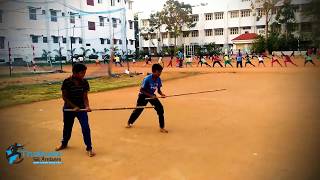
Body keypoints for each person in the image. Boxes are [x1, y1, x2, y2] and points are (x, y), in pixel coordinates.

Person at [55, 63, 95, 157]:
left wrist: (87, 106)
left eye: (84, 73)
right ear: (75, 73)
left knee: (85, 128)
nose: (84, 75)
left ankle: (89, 148)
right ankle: (64, 143)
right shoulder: (67, 82)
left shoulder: (84, 82)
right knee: (67, 128)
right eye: (82, 73)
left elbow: (85, 97)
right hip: (69, 109)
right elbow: (65, 97)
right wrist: (73, 107)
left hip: (81, 109)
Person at [126, 64, 168, 133]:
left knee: (160, 109)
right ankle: (129, 122)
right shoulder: (147, 79)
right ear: (154, 71)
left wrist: (162, 94)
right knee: (138, 110)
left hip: (152, 95)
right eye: (159, 72)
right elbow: (141, 90)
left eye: (161, 72)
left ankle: (162, 127)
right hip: (143, 96)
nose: (160, 73)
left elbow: (158, 90)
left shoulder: (158, 79)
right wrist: (150, 95)